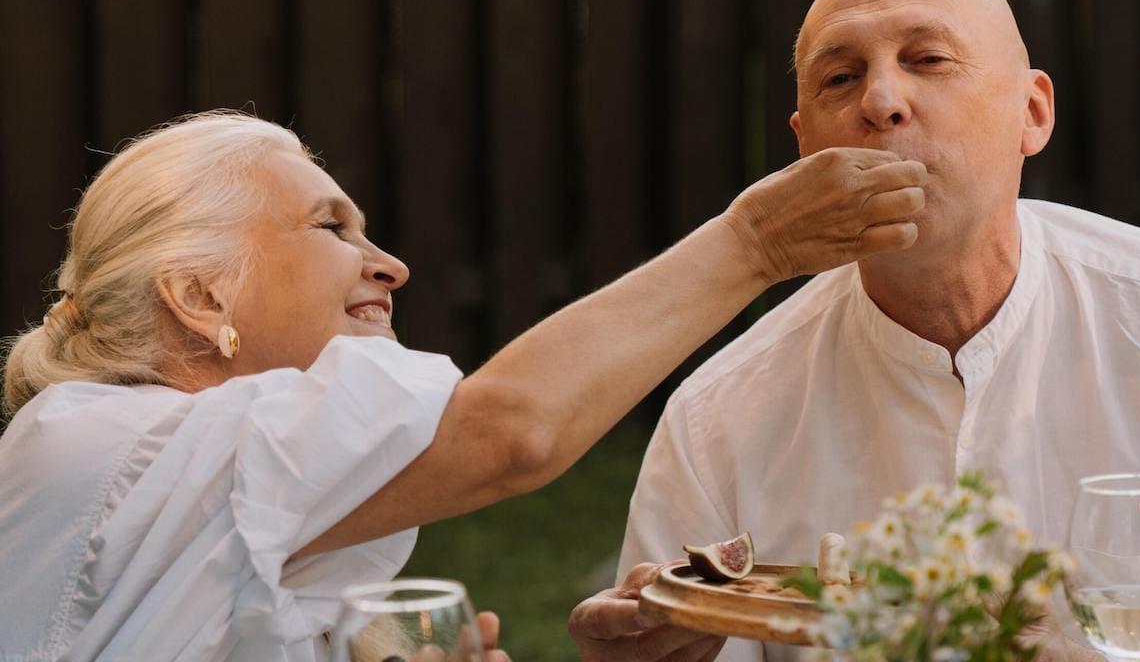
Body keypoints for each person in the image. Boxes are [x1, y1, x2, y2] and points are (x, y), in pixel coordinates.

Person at [0, 110, 926, 661]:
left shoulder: (217, 481)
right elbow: (510, 432)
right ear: (201, 297)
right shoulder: (100, 442)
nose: (390, 265)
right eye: (334, 229)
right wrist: (751, 243)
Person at [569, 0, 1140, 662]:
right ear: (805, 150)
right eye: (840, 78)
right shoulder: (717, 418)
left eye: (927, 59)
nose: (880, 102)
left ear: (1033, 112)